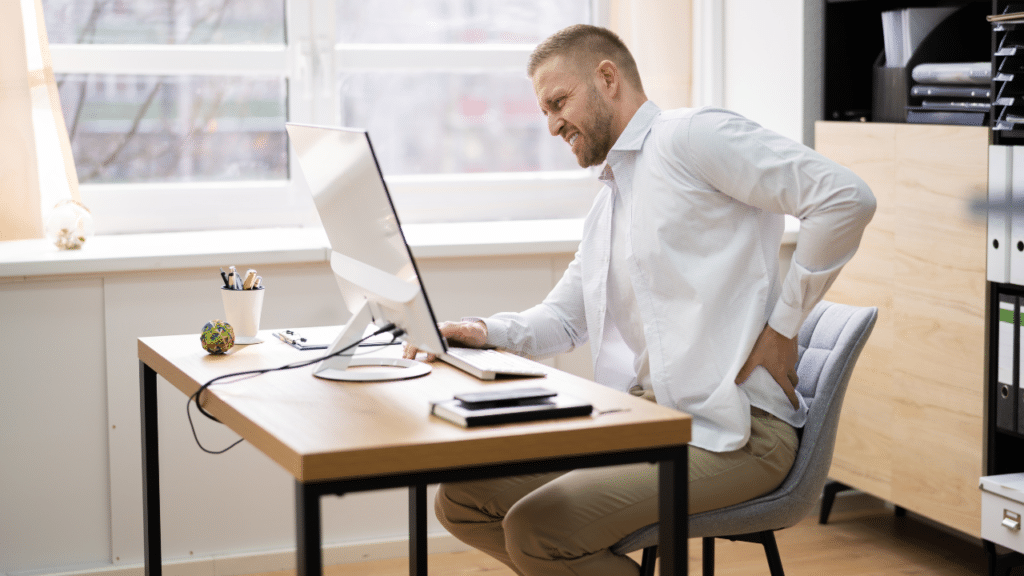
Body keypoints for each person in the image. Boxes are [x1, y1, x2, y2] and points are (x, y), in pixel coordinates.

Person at [403, 24, 875, 576]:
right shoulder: (610, 204)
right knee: (462, 498)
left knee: (540, 530)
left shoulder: (692, 136)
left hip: (739, 433)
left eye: (559, 102)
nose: (552, 124)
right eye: (544, 111)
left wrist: (783, 327)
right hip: (653, 422)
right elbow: (564, 317)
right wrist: (486, 331)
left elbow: (846, 198)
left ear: (607, 79)